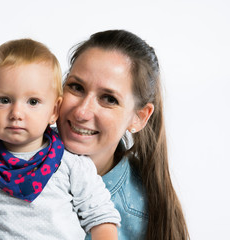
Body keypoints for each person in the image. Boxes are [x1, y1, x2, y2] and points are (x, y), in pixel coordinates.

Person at [0, 38, 121, 240]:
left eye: (33, 102)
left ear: (54, 110)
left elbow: (101, 218)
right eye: (4, 100)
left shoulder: (72, 164)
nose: (17, 113)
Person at [56, 30, 189, 239]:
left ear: (139, 117)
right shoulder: (3, 156)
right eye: (76, 87)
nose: (82, 112)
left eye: (109, 99)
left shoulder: (142, 214)